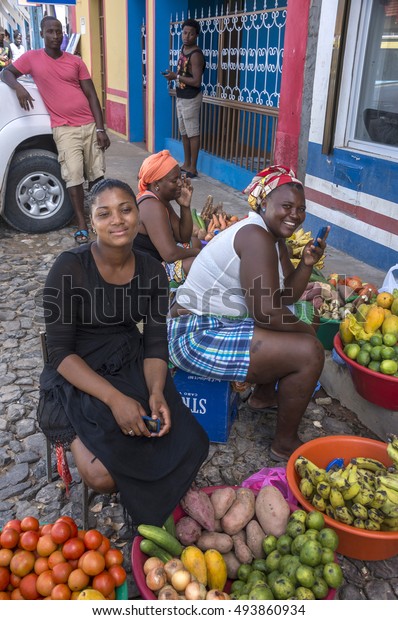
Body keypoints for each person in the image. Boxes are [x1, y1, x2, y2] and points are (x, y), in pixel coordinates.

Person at [37, 178, 209, 527]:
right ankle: (72, 436)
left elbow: (156, 342)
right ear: (92, 221)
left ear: (137, 215)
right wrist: (115, 400)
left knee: (188, 440)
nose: (117, 220)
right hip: (77, 372)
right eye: (105, 213)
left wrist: (157, 392)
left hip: (128, 360)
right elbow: (59, 353)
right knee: (103, 475)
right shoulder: (68, 269)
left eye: (126, 209)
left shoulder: (152, 272)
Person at [168, 165, 328, 460]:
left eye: (301, 209)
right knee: (309, 351)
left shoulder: (271, 237)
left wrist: (306, 263)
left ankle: (264, 396)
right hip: (193, 334)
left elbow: (286, 296)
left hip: (215, 322)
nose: (295, 214)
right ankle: (285, 443)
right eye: (287, 206)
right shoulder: (254, 236)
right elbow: (265, 312)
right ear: (265, 203)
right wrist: (307, 333)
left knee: (296, 312)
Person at [2, 16, 110, 245]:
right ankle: (82, 225)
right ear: (42, 34)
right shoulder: (32, 58)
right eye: (50, 31)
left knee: (97, 176)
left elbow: (91, 95)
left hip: (89, 125)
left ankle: (101, 219)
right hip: (64, 128)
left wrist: (100, 128)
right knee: (73, 177)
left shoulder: (75, 61)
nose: (55, 36)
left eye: (59, 31)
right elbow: (6, 73)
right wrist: (19, 88)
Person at [133, 150, 202, 296]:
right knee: (196, 261)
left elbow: (183, 236)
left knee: (194, 242)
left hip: (155, 261)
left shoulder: (160, 201)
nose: (180, 184)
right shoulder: (152, 206)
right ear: (157, 184)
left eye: (180, 178)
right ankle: (170, 298)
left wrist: (185, 206)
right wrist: (199, 253)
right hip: (143, 275)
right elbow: (170, 254)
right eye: (174, 180)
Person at [163, 19, 205, 179]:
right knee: (184, 132)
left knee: (193, 133)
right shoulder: (183, 49)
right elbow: (183, 73)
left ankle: (193, 168)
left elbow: (196, 81)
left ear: (196, 35)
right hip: (181, 96)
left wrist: (177, 76)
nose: (187, 36)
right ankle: (186, 164)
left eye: (191, 33)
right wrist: (172, 76)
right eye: (185, 32)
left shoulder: (196, 55)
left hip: (191, 98)